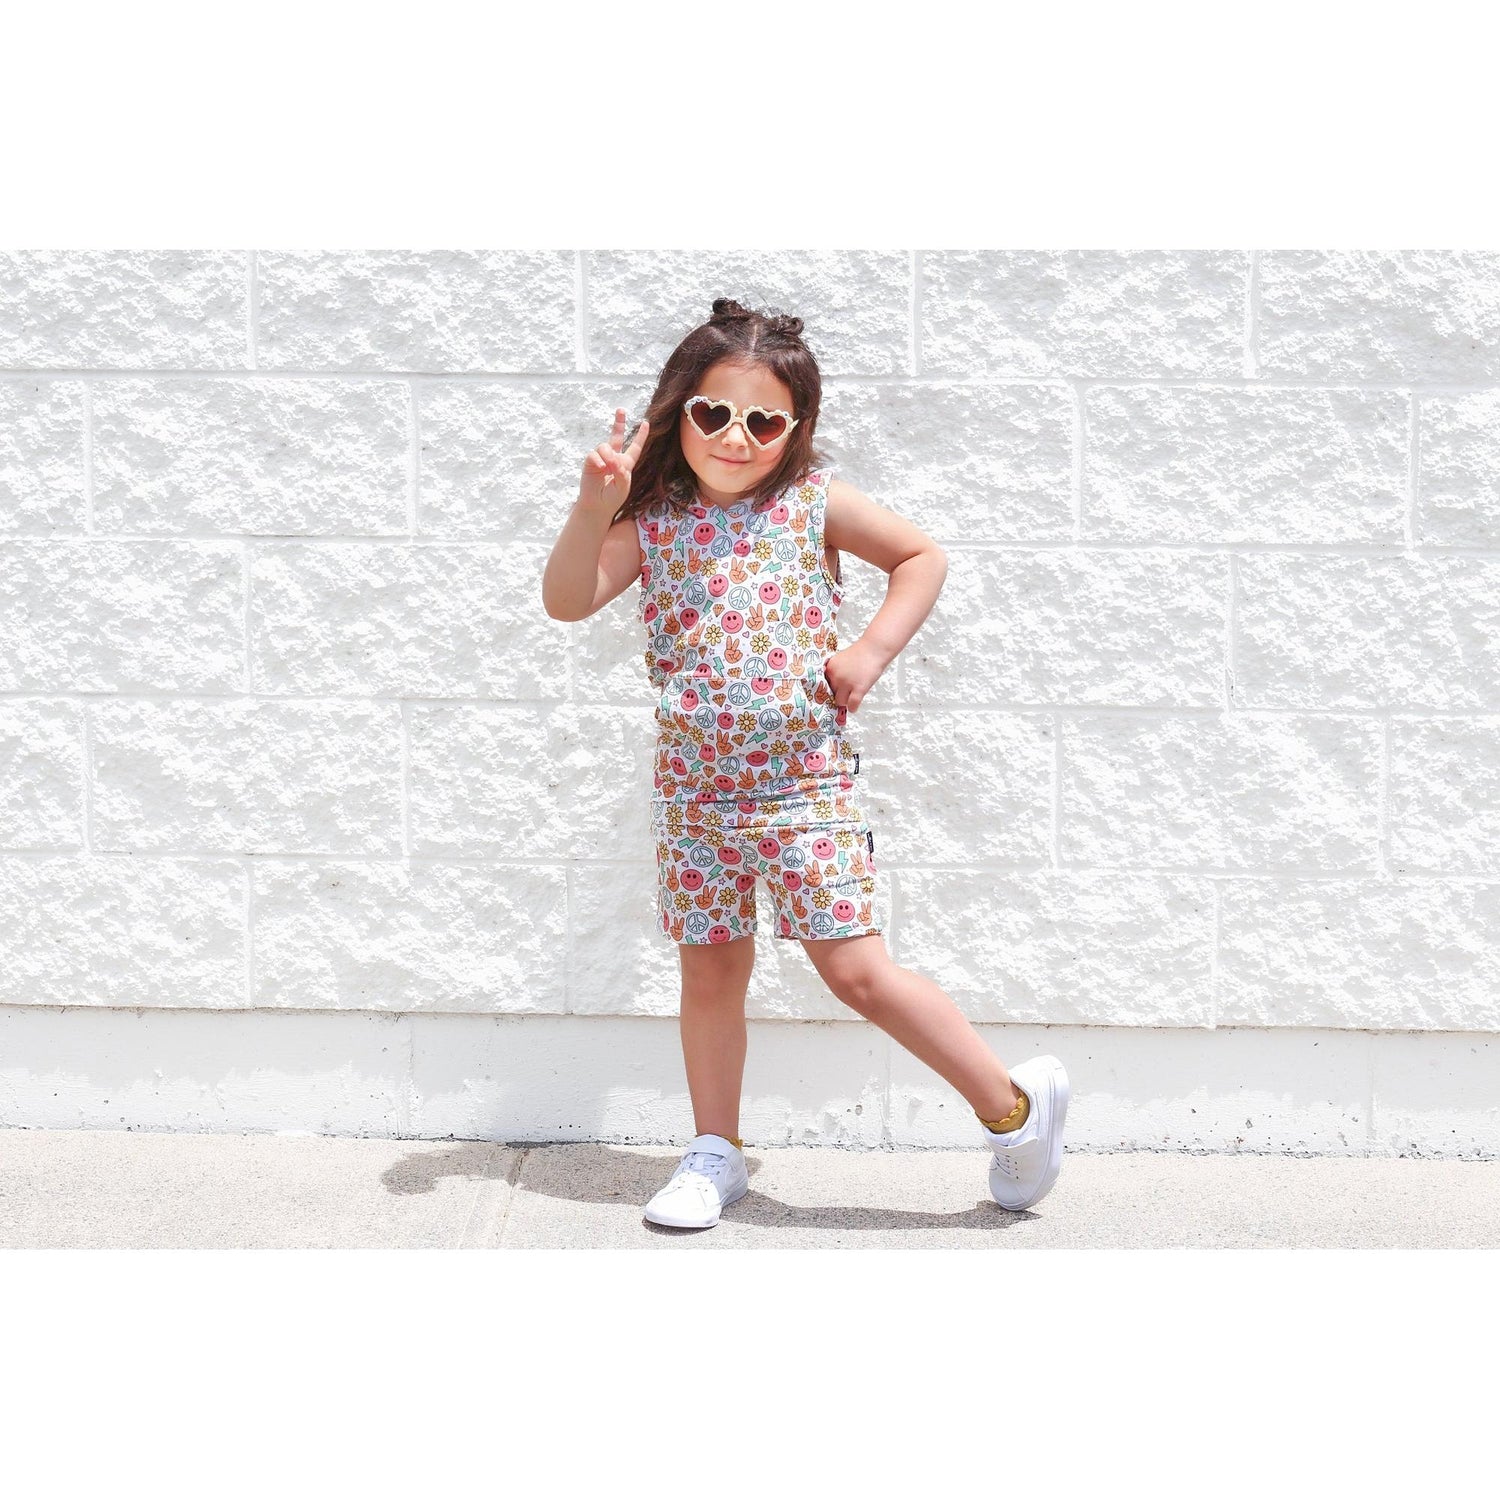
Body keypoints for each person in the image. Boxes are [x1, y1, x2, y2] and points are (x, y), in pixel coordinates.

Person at [541, 297, 1069, 1230]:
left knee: (856, 970)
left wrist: (868, 652)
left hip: (803, 787)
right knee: (710, 972)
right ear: (678, 412)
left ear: (795, 430)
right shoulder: (654, 521)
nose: (735, 437)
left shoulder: (811, 504)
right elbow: (567, 598)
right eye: (714, 413)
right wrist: (593, 506)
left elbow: (920, 557)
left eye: (763, 422)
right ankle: (715, 1151)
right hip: (694, 795)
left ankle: (1013, 1109)